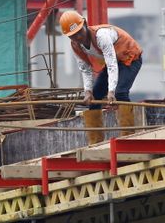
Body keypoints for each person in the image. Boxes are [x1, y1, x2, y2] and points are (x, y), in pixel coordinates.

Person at [59, 10, 142, 144]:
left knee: (120, 93)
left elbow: (111, 64)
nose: (78, 38)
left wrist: (111, 91)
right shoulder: (75, 45)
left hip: (130, 58)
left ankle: (128, 138)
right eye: (73, 36)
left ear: (85, 24)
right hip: (115, 63)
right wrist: (87, 92)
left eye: (79, 33)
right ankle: (95, 141)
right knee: (95, 97)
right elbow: (85, 69)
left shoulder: (101, 36)